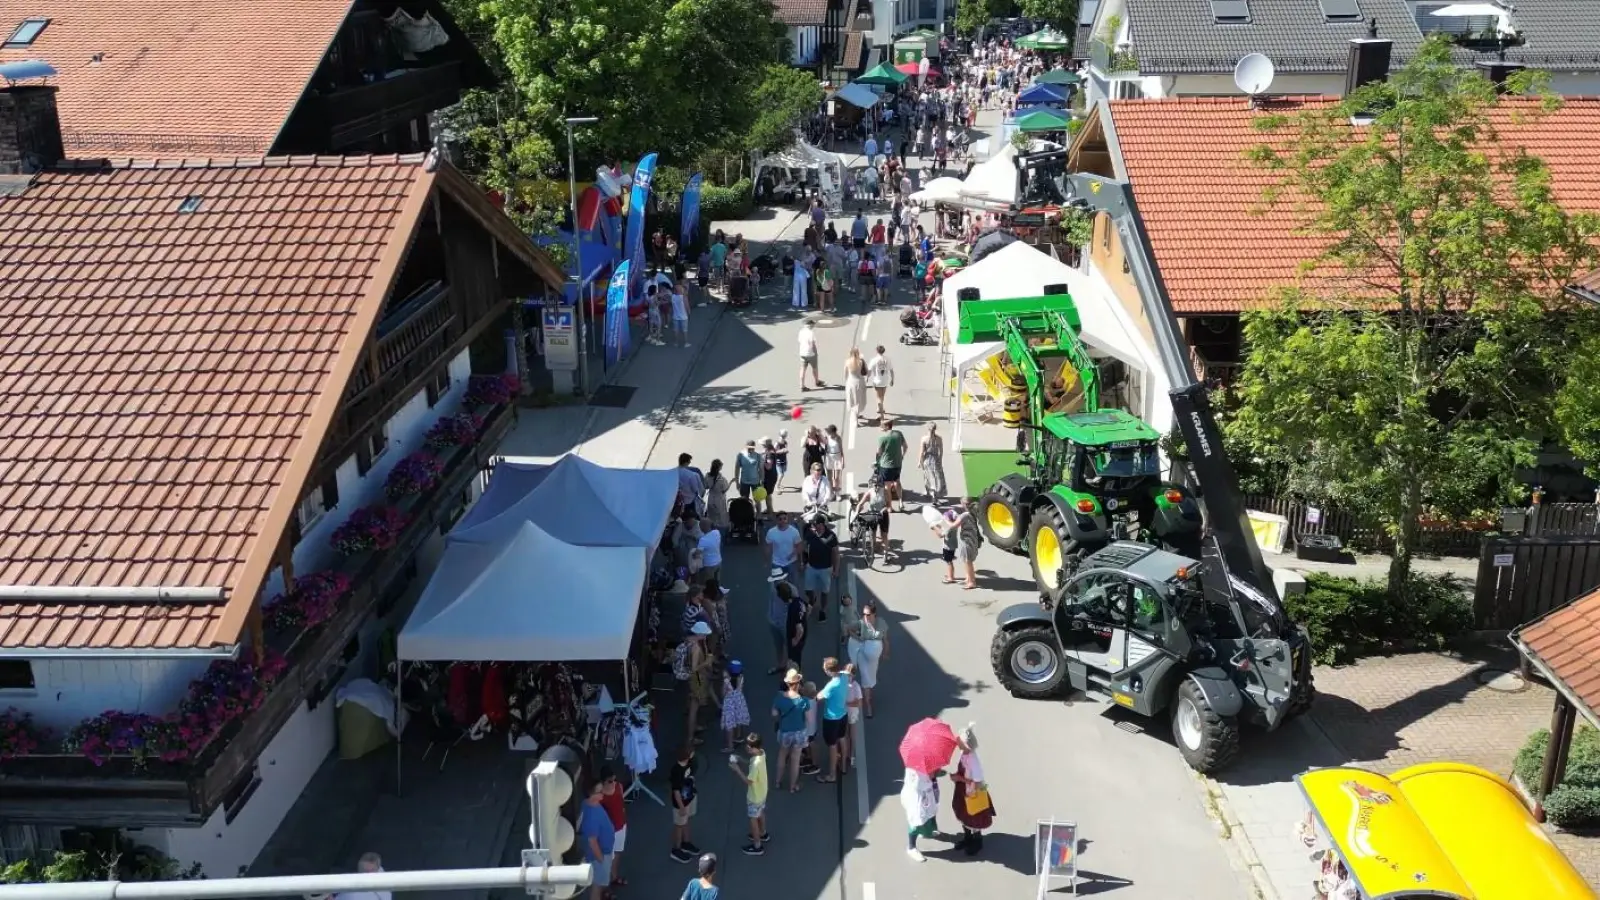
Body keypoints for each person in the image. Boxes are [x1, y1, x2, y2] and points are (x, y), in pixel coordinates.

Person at [950, 723, 995, 856]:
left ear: (966, 744)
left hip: (971, 792)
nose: (957, 741)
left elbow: (977, 780)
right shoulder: (964, 754)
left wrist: (959, 778)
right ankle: (968, 838)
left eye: (959, 740)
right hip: (963, 789)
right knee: (964, 815)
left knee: (974, 817)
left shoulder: (973, 759)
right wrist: (956, 777)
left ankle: (977, 842)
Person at [845, 600, 888, 718]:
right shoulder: (861, 623)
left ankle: (868, 696)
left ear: (874, 614)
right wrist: (858, 638)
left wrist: (885, 652)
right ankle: (868, 705)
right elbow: (849, 629)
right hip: (862, 654)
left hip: (873, 657)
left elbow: (885, 640)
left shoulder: (881, 623)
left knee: (870, 678)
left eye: (868, 614)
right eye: (864, 614)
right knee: (866, 679)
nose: (865, 617)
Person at [772, 670, 812, 793]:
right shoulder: (804, 701)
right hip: (799, 732)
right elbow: (809, 719)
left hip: (785, 731)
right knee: (795, 760)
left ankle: (778, 782)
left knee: (782, 755)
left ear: (787, 683)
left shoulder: (779, 698)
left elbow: (774, 713)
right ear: (798, 683)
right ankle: (792, 786)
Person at [731, 733, 770, 855]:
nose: (746, 748)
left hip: (754, 796)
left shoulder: (755, 764)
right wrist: (741, 760)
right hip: (762, 792)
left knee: (753, 819)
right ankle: (763, 833)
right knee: (761, 812)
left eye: (748, 747)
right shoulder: (761, 753)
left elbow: (749, 781)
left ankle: (757, 845)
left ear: (752, 747)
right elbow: (751, 762)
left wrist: (737, 769)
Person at [578, 778, 617, 897]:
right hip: (599, 857)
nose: (603, 792)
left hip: (602, 853)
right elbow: (592, 841)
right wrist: (601, 860)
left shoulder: (590, 804)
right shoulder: (591, 817)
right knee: (596, 887)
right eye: (599, 791)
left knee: (599, 884)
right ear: (591, 795)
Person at [815, 657, 849, 784]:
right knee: (842, 738)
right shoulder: (845, 676)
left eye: (825, 669)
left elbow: (819, 697)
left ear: (829, 671)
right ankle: (844, 766)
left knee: (832, 746)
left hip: (831, 719)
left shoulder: (831, 686)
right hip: (843, 714)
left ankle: (832, 775)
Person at [802, 511, 839, 618]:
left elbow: (835, 554)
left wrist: (836, 570)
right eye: (813, 524)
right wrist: (803, 561)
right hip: (811, 566)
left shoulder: (831, 536)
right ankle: (812, 599)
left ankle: (822, 610)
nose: (813, 526)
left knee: (824, 592)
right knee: (808, 590)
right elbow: (804, 547)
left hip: (826, 568)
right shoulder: (809, 532)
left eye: (816, 524)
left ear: (822, 524)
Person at [669, 745, 702, 863]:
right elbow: (676, 791)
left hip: (689, 797)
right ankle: (676, 849)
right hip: (681, 803)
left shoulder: (690, 763)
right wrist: (681, 807)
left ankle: (686, 843)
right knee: (679, 824)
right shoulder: (676, 771)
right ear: (689, 755)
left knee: (686, 821)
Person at [901, 765, 939, 863]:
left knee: (928, 816)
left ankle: (925, 832)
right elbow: (922, 784)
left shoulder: (918, 763)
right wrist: (931, 775)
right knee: (916, 822)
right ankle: (911, 847)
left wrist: (934, 772)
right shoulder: (917, 770)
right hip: (917, 798)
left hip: (924, 797)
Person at [598, 767, 629, 887]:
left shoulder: (619, 786)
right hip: (608, 831)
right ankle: (605, 885)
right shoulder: (600, 796)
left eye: (614, 780)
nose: (613, 783)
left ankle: (614, 877)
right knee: (607, 859)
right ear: (603, 782)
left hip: (621, 826)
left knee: (617, 853)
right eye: (610, 781)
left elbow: (621, 804)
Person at [686, 621, 715, 744]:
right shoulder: (696, 648)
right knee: (694, 707)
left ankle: (694, 728)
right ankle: (690, 738)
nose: (705, 636)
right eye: (704, 634)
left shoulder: (690, 641)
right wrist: (706, 662)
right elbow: (694, 668)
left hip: (694, 678)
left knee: (694, 705)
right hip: (697, 678)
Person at [853, 474, 891, 561]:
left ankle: (885, 553)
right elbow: (860, 504)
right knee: (872, 534)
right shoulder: (869, 492)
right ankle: (873, 549)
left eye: (878, 485)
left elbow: (889, 505)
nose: (876, 486)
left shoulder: (885, 492)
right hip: (872, 515)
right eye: (874, 484)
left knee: (884, 535)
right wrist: (856, 513)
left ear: (881, 485)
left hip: (883, 514)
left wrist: (884, 510)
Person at [875, 418, 909, 513]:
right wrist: (902, 456)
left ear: (886, 426)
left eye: (882, 425)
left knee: (887, 486)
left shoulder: (882, 438)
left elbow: (879, 452)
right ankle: (900, 501)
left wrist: (878, 459)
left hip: (886, 465)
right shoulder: (898, 434)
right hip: (897, 463)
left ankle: (889, 507)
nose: (880, 427)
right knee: (897, 481)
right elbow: (905, 446)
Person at [765, 510, 802, 585]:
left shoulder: (794, 532)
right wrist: (766, 561)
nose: (783, 521)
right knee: (778, 585)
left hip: (791, 563)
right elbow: (768, 548)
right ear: (777, 520)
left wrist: (799, 561)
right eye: (780, 519)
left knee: (793, 585)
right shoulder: (771, 532)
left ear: (787, 519)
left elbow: (799, 546)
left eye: (785, 519)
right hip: (776, 563)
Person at [721, 659, 750, 751]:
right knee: (739, 719)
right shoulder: (741, 678)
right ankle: (739, 736)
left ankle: (730, 746)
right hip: (739, 701)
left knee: (729, 724)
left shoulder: (726, 681)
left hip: (729, 704)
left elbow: (723, 693)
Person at [842, 663, 864, 772]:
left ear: (853, 675)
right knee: (845, 734)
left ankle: (851, 756)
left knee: (851, 735)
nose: (847, 676)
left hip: (851, 713)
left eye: (849, 674)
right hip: (844, 712)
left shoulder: (856, 686)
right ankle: (846, 755)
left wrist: (847, 704)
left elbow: (859, 703)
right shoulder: (842, 684)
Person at [920, 422, 947, 503]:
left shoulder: (924, 439)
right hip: (936, 460)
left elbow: (922, 452)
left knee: (928, 477)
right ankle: (934, 494)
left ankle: (932, 494)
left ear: (927, 429)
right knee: (937, 478)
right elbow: (941, 451)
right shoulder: (939, 439)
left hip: (927, 460)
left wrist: (920, 461)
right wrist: (940, 460)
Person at [866, 345, 894, 421]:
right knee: (882, 396)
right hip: (885, 381)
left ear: (877, 351)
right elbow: (891, 370)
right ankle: (880, 408)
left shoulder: (874, 360)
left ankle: (881, 416)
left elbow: (869, 371)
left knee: (878, 398)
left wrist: (867, 378)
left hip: (877, 381)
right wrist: (892, 379)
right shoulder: (887, 359)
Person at [694, 517, 723, 584]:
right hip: (718, 561)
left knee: (708, 584)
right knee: (717, 582)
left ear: (702, 527)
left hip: (709, 565)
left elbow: (697, 553)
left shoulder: (703, 539)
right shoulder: (717, 532)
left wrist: (693, 553)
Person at [844, 347, 868, 427]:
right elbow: (866, 371)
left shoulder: (847, 362)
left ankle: (855, 418)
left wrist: (846, 382)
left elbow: (845, 374)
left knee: (852, 401)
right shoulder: (860, 362)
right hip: (860, 382)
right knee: (859, 400)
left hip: (851, 382)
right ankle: (856, 416)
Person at [798, 320, 825, 392]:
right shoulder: (811, 333)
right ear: (811, 325)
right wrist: (814, 352)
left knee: (803, 369)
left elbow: (800, 341)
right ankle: (817, 382)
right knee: (814, 368)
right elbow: (812, 344)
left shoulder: (801, 332)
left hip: (802, 353)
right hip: (810, 354)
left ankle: (802, 386)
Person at [677, 453, 706, 519]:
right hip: (689, 503)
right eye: (689, 461)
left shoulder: (673, 472)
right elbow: (696, 490)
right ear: (686, 462)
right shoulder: (692, 475)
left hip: (676, 503)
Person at [704, 459, 731, 530]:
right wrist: (731, 482)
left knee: (711, 517)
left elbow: (705, 486)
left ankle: (710, 530)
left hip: (711, 499)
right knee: (720, 518)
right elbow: (724, 490)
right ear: (719, 467)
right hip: (719, 500)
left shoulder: (707, 476)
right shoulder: (721, 479)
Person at [824, 424, 846, 492]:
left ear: (833, 432)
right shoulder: (827, 438)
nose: (828, 433)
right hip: (829, 458)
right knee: (829, 477)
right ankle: (831, 491)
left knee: (836, 477)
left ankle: (837, 491)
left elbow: (841, 450)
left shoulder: (838, 439)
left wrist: (843, 461)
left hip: (837, 457)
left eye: (829, 432)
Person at [670, 277, 691, 347]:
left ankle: (676, 342)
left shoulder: (673, 297)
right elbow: (687, 307)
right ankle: (686, 343)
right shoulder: (683, 297)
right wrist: (689, 313)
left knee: (676, 330)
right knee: (685, 330)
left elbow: (671, 306)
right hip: (684, 316)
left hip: (675, 316)